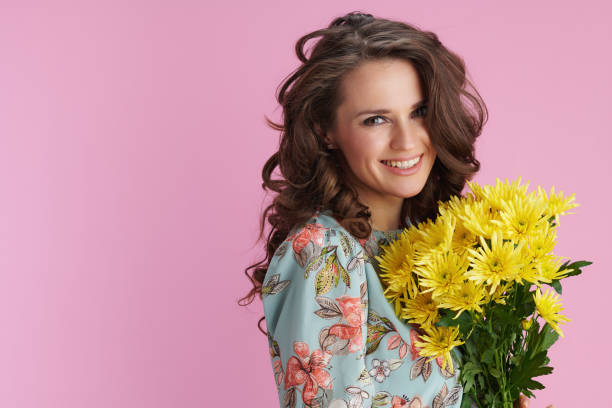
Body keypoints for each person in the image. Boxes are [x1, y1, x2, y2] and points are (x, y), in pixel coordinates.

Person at [239, 11, 552, 408]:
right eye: (375, 120)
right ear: (325, 131)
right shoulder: (324, 254)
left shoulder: (451, 242)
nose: (406, 141)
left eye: (419, 112)